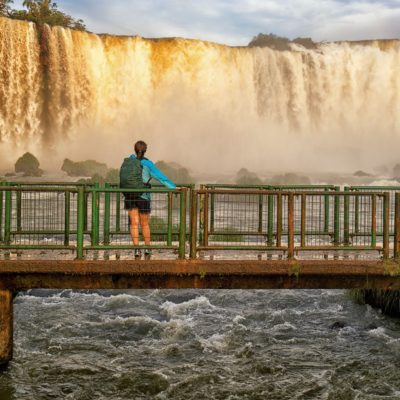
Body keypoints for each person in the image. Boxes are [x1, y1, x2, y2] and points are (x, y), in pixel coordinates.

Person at [122, 140, 176, 259]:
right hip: (143, 196)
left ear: (135, 150)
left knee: (134, 224)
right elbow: (161, 178)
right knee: (144, 223)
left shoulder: (129, 161)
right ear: (145, 150)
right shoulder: (148, 164)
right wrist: (174, 188)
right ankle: (147, 248)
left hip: (130, 195)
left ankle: (136, 250)